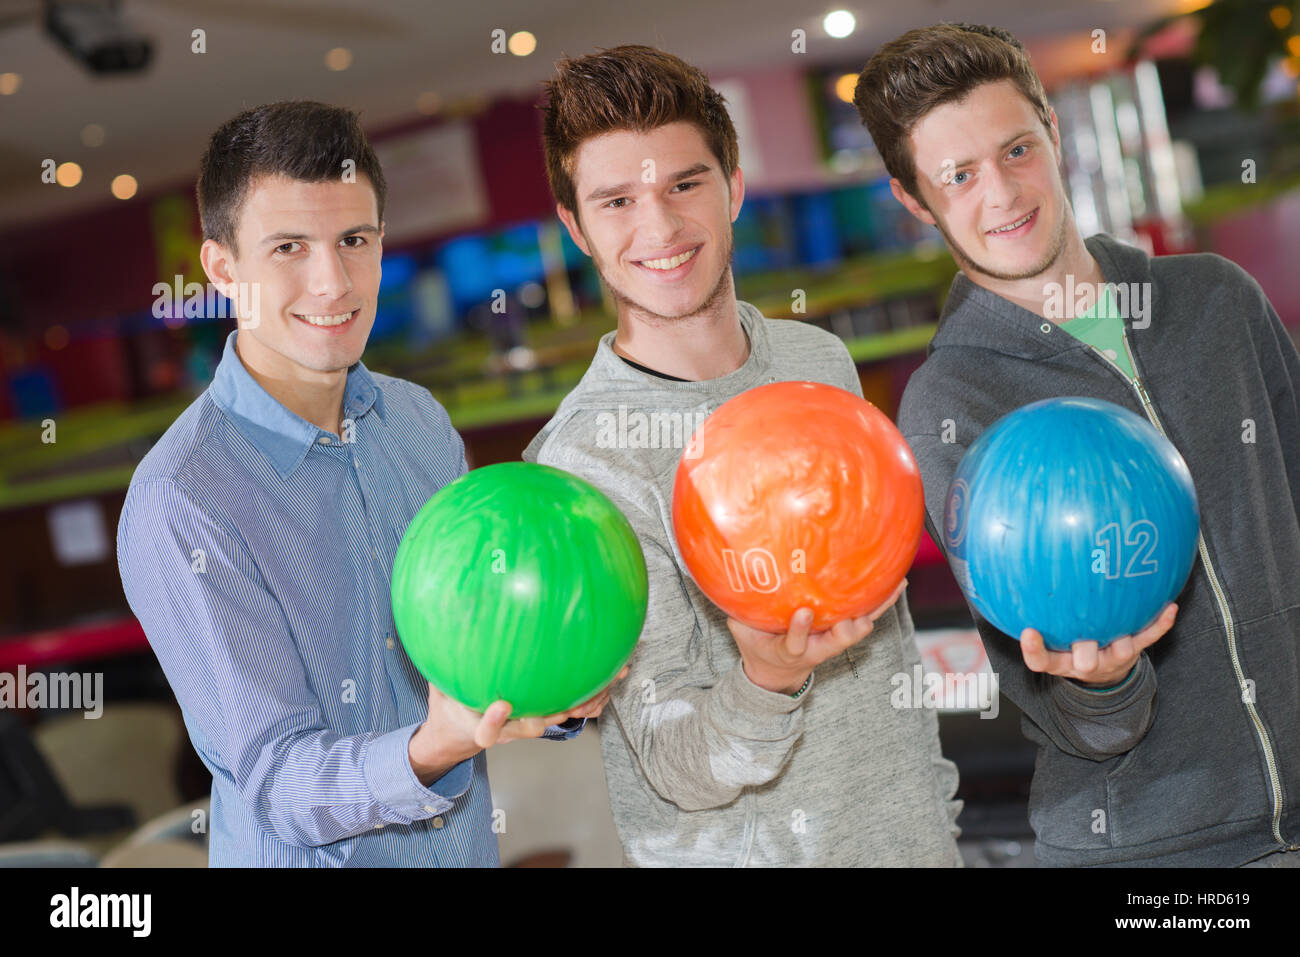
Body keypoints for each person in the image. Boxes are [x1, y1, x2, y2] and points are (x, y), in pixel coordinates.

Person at [116, 101, 617, 867]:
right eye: (289, 246)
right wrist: (430, 747)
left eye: (355, 239)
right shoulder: (182, 501)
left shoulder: (416, 421)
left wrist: (553, 683)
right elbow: (279, 780)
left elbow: (474, 643)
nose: (332, 281)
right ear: (223, 269)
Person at [854, 23, 1300, 866]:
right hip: (1156, 850)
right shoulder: (950, 404)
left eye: (1016, 149)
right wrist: (1101, 682)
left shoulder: (1215, 301)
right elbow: (1059, 709)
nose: (1003, 193)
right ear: (916, 200)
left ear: (1053, 132)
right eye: (959, 175)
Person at [523, 45, 963, 867]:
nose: (658, 227)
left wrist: (933, 819)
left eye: (683, 184)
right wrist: (766, 677)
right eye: (617, 200)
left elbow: (889, 648)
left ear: (734, 183)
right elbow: (672, 765)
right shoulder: (580, 463)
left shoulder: (817, 362)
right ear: (577, 227)